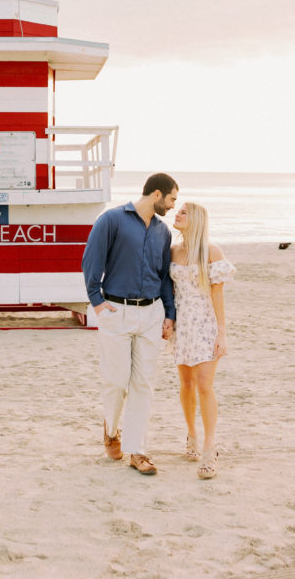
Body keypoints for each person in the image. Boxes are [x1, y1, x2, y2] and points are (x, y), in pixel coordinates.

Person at [82, 172, 178, 476]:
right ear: (157, 194)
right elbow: (90, 261)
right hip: (116, 311)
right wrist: (97, 302)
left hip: (151, 313)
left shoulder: (163, 233)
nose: (174, 206)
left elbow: (163, 277)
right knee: (117, 381)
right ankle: (111, 430)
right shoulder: (111, 220)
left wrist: (169, 314)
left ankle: (138, 451)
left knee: (143, 384)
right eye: (172, 199)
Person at [167, 202, 235, 480]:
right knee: (186, 384)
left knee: (205, 385)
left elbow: (218, 295)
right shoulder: (172, 251)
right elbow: (167, 290)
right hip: (182, 325)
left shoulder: (211, 252)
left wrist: (222, 332)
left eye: (183, 212)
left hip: (205, 323)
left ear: (195, 219)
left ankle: (210, 448)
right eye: (177, 210)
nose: (177, 214)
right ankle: (192, 437)